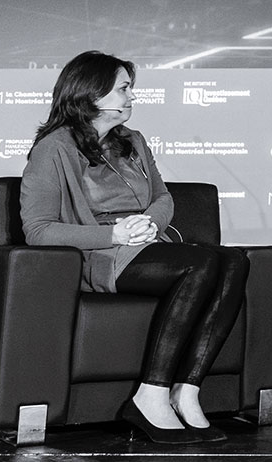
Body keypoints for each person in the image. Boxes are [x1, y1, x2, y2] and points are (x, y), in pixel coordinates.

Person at [21, 51, 248, 444]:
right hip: (100, 256)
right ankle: (151, 394)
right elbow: (38, 230)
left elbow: (162, 197)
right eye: (123, 89)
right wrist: (114, 235)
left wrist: (150, 224)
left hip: (146, 245)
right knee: (199, 263)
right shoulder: (53, 149)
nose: (132, 96)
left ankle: (186, 391)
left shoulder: (133, 141)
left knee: (234, 261)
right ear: (91, 93)